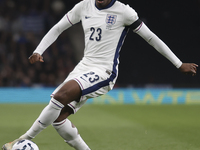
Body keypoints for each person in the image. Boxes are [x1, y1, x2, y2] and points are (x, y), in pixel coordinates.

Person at [2, 0, 198, 149]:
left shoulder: (124, 12)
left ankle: (23, 139)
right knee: (58, 118)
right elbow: (59, 27)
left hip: (105, 71)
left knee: (60, 96)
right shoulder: (84, 6)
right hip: (83, 66)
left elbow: (151, 38)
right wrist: (39, 50)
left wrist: (178, 64)